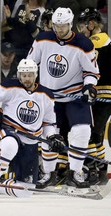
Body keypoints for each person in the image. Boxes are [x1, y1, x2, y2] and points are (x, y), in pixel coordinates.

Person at [27, 7, 100, 188]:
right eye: (56, 25)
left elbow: (91, 72)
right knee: (49, 134)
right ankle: (48, 173)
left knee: (81, 132)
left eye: (63, 26)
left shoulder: (83, 43)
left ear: (70, 24)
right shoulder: (43, 39)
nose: (59, 29)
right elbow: (30, 63)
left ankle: (76, 172)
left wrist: (89, 86)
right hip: (49, 97)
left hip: (75, 96)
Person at [0, 58, 66, 185]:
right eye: (24, 75)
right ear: (19, 76)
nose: (27, 79)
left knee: (27, 184)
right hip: (9, 132)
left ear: (35, 75)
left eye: (30, 75)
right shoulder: (11, 86)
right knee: (9, 145)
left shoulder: (46, 95)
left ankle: (45, 176)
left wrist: (51, 136)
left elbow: (48, 123)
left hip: (31, 140)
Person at [76, 7, 110, 185]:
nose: (80, 30)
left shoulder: (97, 41)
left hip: (103, 94)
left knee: (92, 134)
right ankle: (100, 170)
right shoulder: (102, 40)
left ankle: (96, 170)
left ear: (91, 24)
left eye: (82, 26)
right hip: (100, 94)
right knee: (94, 136)